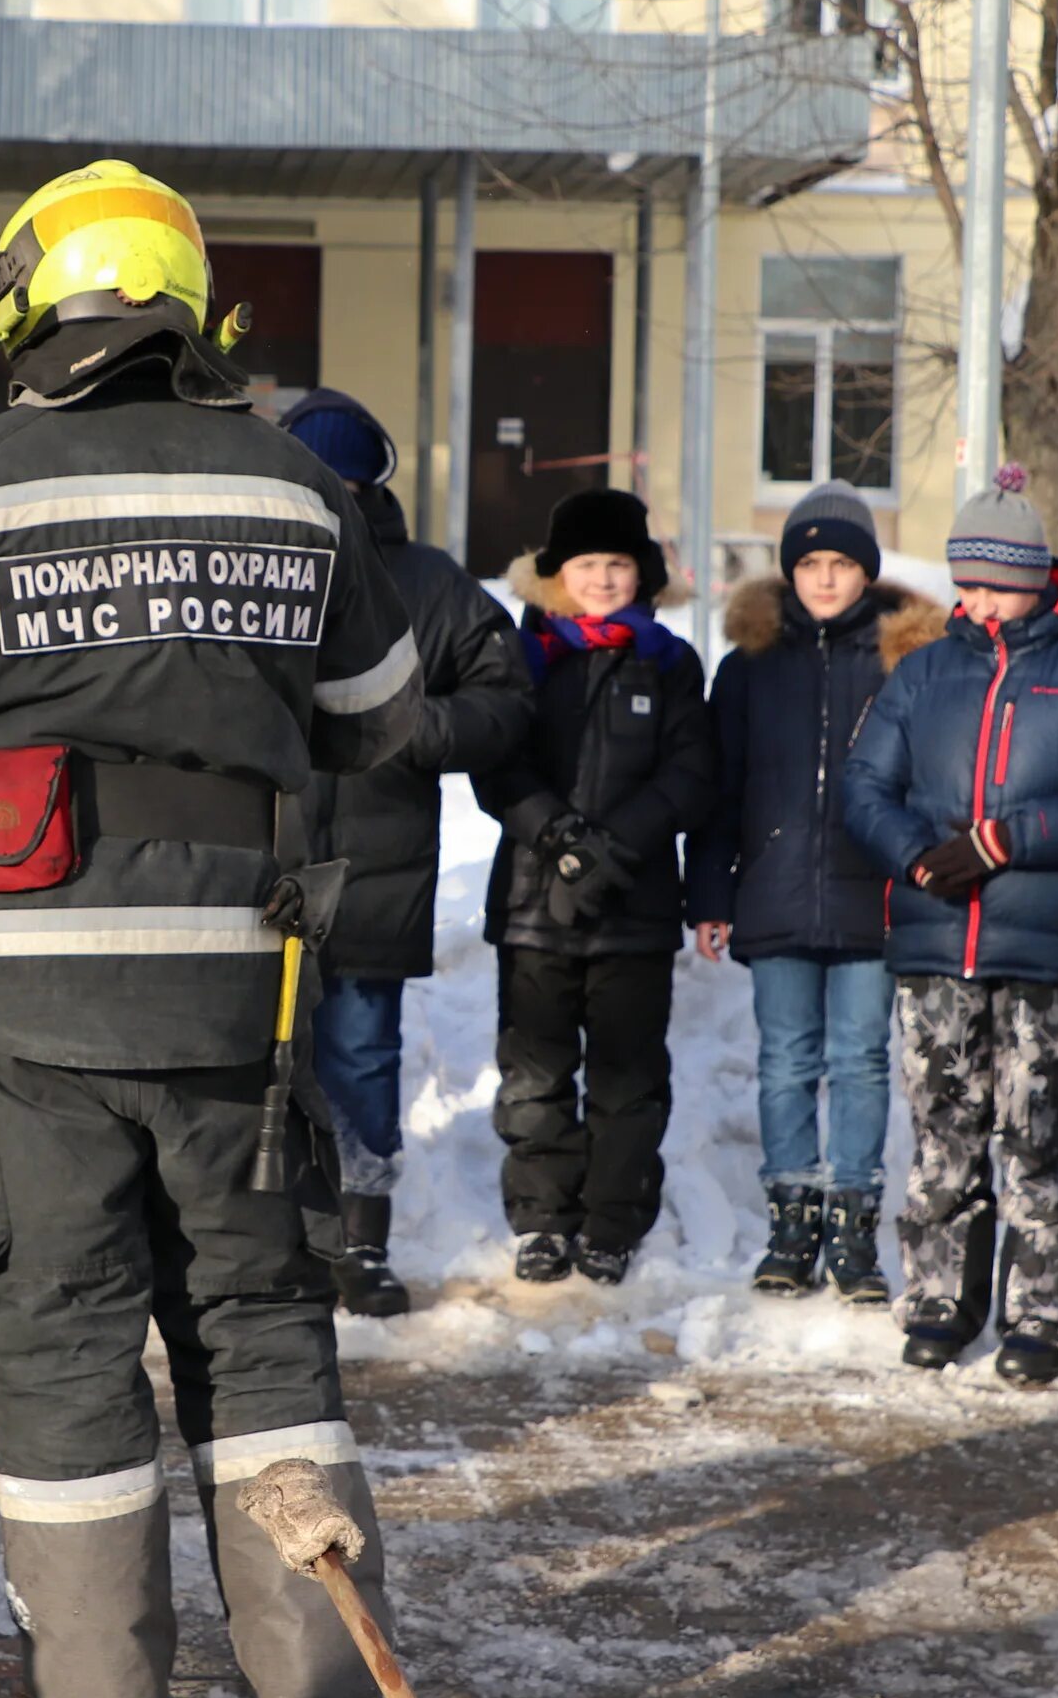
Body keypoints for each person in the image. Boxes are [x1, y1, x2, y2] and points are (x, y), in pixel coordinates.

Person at [0, 160, 425, 1698]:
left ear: (27, 304)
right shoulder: (292, 484)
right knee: (264, 1339)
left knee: (68, 1353)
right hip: (237, 1001)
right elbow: (380, 713)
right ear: (191, 306)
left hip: (28, 1012)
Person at [843, 467, 1058, 1387]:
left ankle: (1048, 1310)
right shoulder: (925, 673)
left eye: (994, 582)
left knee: (1040, 1133)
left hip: (1045, 945)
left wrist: (1006, 839)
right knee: (943, 1127)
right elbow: (867, 786)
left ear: (1035, 580)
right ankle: (942, 1296)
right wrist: (917, 854)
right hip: (936, 942)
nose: (976, 600)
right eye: (966, 581)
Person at [282, 387, 531, 1318]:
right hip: (257, 868)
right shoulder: (247, 566)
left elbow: (506, 698)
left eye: (343, 484)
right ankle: (260, 1238)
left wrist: (418, 729)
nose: (330, 503)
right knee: (254, 1058)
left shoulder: (429, 584)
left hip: (379, 875)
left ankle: (359, 1240)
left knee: (361, 1053)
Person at [685, 483, 923, 1305]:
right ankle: (792, 1225)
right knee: (786, 1061)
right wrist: (710, 891)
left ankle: (855, 1228)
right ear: (790, 573)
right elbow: (721, 790)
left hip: (871, 898)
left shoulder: (903, 661)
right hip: (776, 892)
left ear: (867, 573)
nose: (826, 579)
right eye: (811, 564)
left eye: (842, 564)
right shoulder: (750, 668)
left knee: (859, 1060)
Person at [477, 488, 715, 1289]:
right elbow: (497, 764)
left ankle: (612, 1223)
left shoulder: (670, 661)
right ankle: (544, 1218)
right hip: (533, 907)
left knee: (627, 1078)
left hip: (635, 910)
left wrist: (617, 844)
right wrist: (560, 837)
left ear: (641, 573)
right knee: (537, 1074)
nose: (604, 579)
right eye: (588, 565)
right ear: (557, 574)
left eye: (618, 564)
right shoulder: (521, 655)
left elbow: (693, 771)